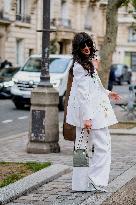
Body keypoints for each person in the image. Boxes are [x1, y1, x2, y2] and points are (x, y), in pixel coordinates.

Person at [66, 32, 121, 192]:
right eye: (83, 45)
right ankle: (96, 181)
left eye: (88, 44)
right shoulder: (79, 66)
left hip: (90, 113)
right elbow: (83, 95)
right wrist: (87, 118)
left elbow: (94, 86)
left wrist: (108, 92)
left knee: (82, 148)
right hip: (91, 115)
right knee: (102, 147)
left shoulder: (85, 64)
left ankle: (81, 184)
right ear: (78, 47)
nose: (87, 48)